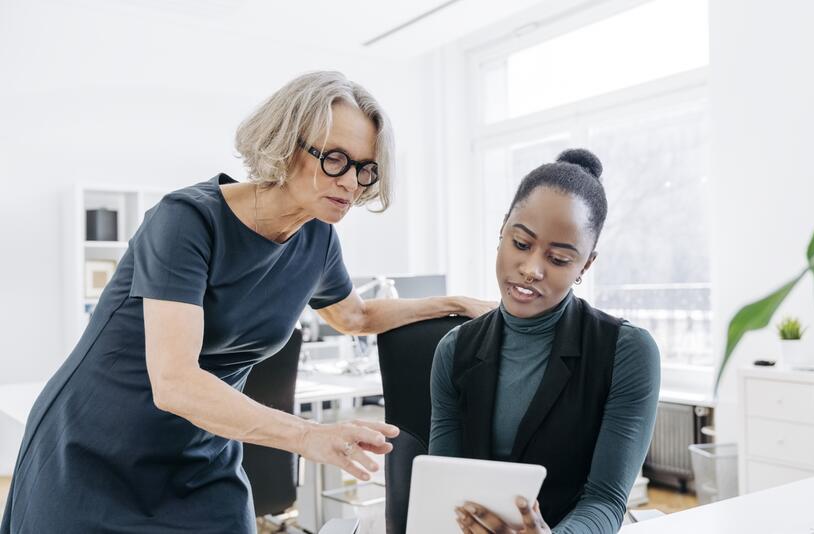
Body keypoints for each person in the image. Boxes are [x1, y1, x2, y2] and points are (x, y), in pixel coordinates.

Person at [1, 71, 493, 534]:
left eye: (365, 168)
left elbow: (354, 316)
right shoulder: (187, 221)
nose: (351, 182)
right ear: (284, 145)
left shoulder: (317, 240)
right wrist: (307, 437)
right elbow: (174, 382)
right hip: (98, 449)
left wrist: (449, 302)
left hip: (202, 451)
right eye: (336, 159)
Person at [429, 149, 661, 533]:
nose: (531, 270)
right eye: (520, 244)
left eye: (558, 259)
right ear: (503, 229)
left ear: (586, 264)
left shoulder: (626, 352)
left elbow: (605, 499)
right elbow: (444, 487)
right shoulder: (454, 351)